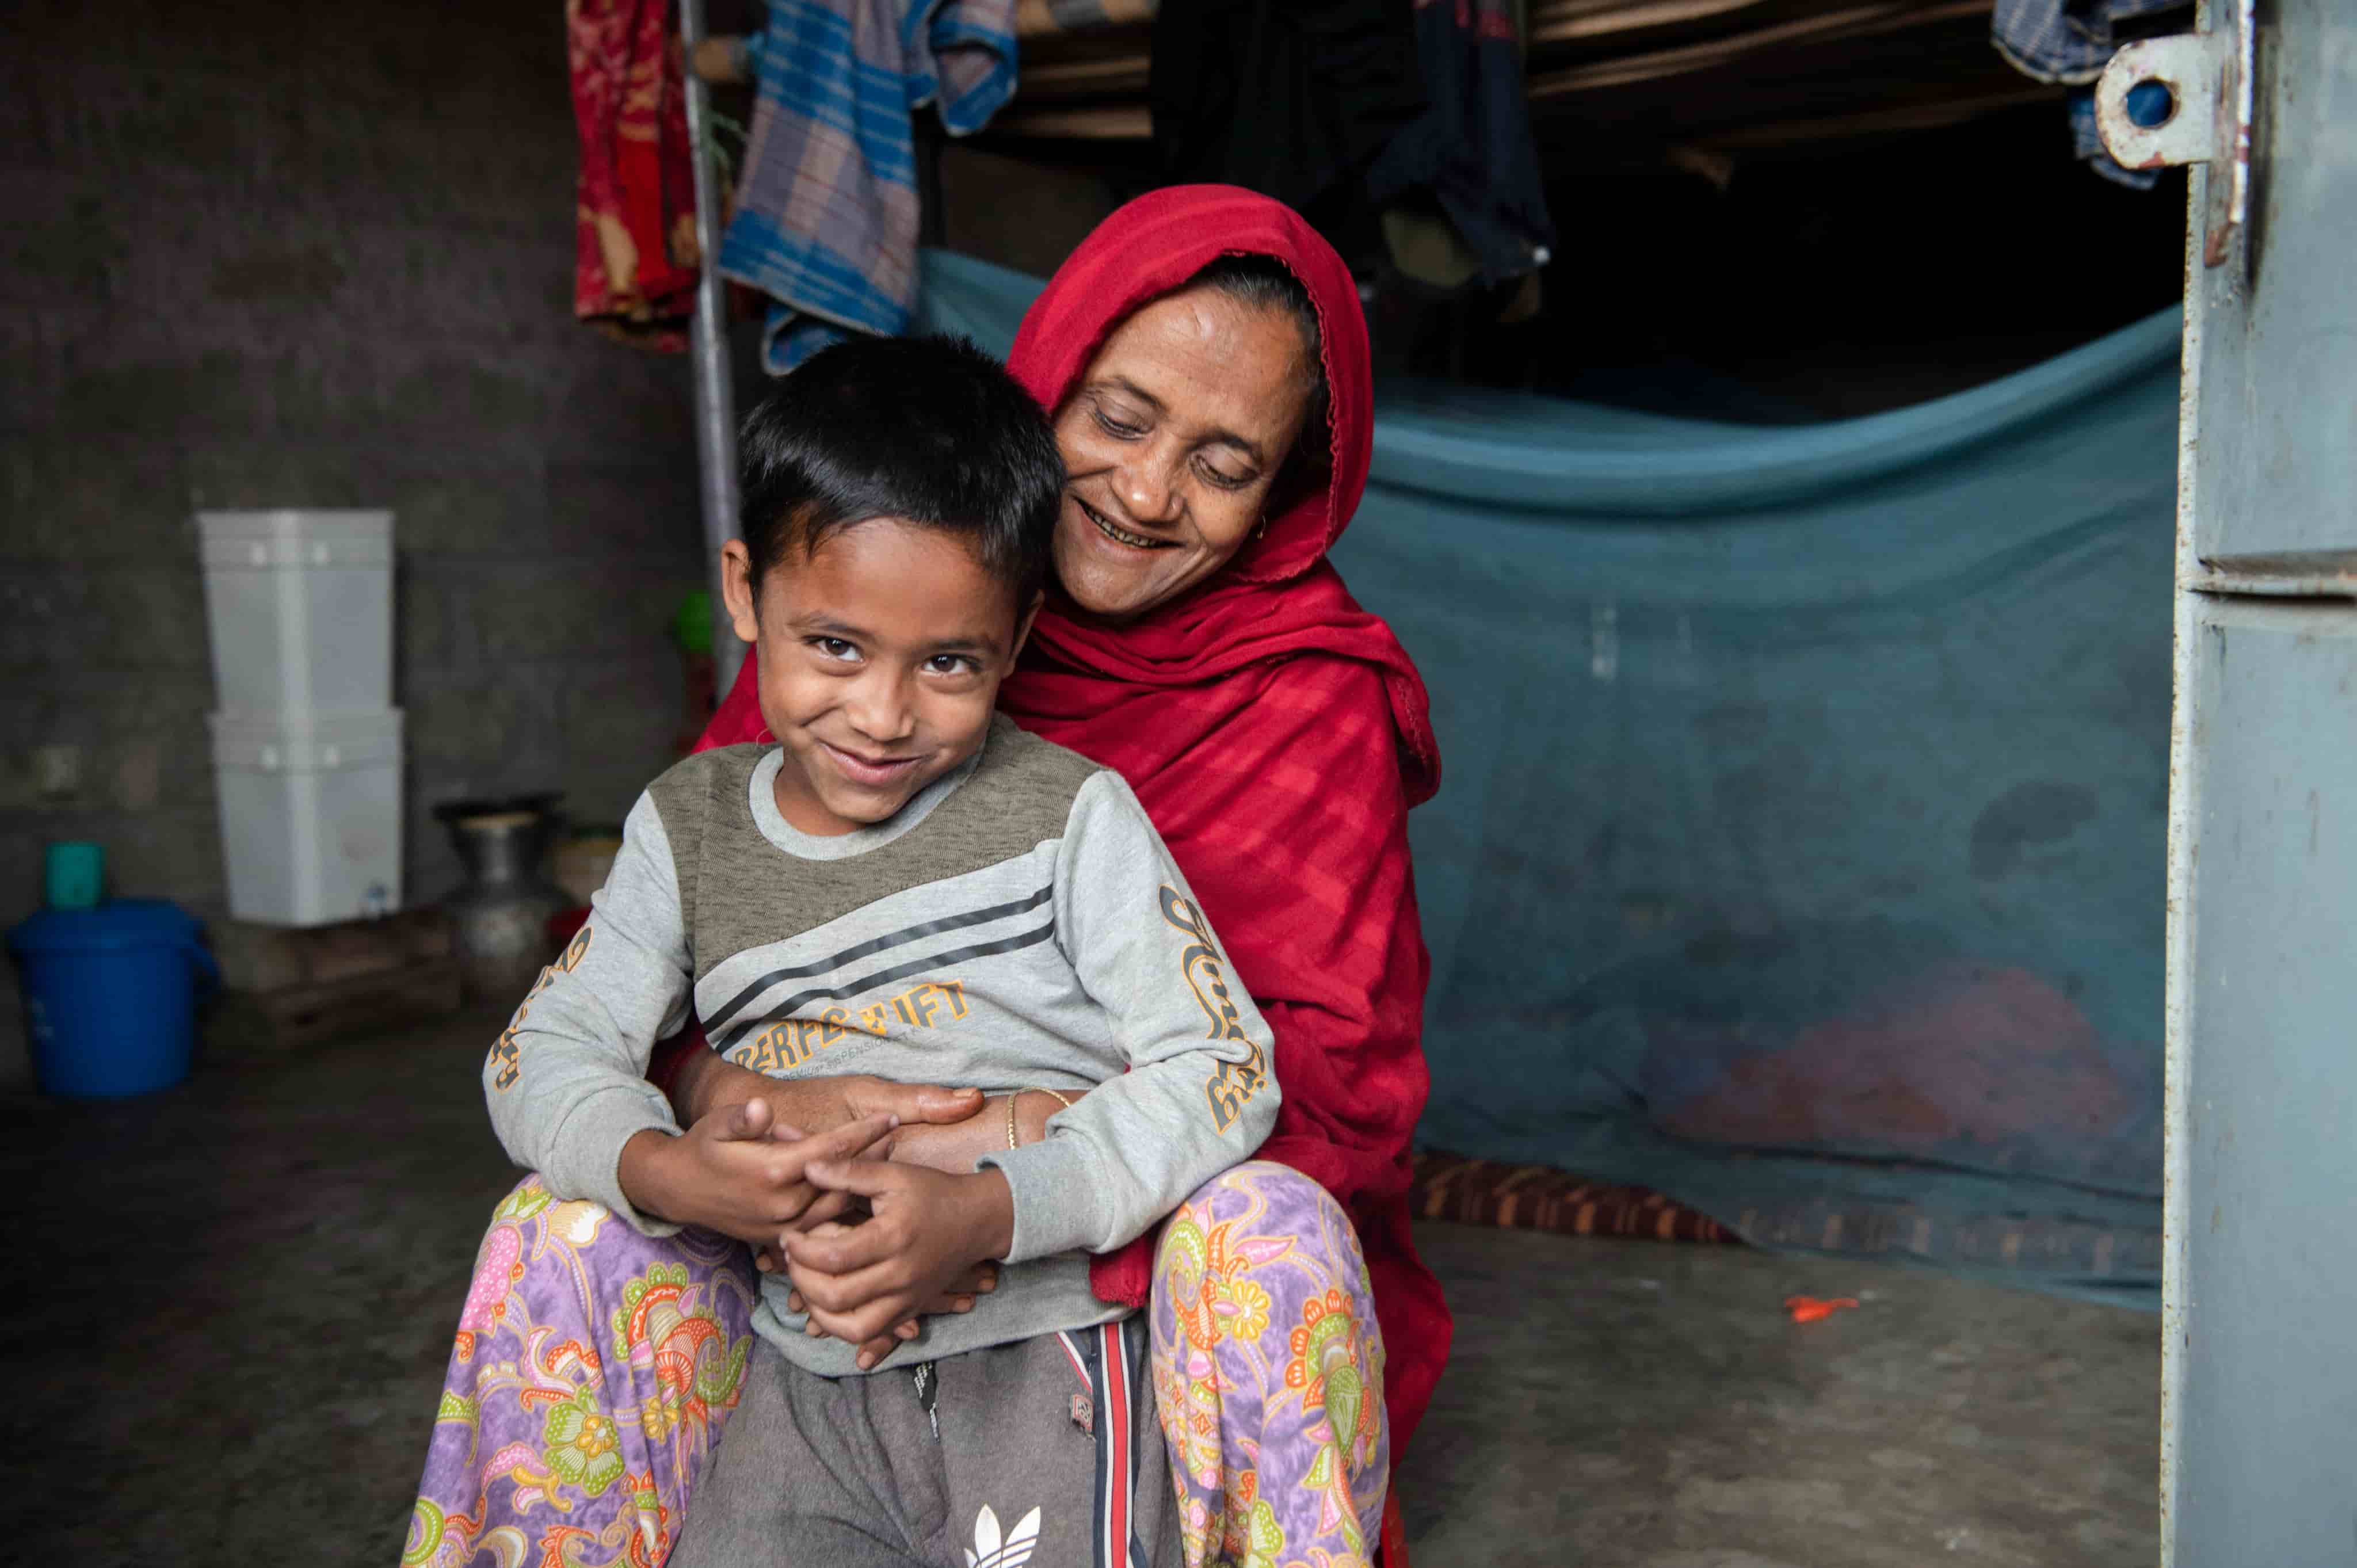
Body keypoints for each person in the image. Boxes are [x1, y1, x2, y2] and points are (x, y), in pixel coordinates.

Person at [409, 186, 1446, 1568]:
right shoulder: (851, 615)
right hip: (799, 1255)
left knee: (1267, 1228)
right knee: (557, 1228)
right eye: (1118, 417)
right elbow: (642, 1000)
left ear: (1282, 495)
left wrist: (983, 1184)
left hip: (1100, 1273)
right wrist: (733, 1112)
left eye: (1221, 462)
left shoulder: (1280, 713)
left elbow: (1301, 1096)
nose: (1147, 494)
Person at [485, 333, 1279, 1567]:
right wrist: (669, 1171)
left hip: (1045, 1358)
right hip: (800, 1380)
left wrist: (989, 1209)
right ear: (745, 591)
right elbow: (540, 1051)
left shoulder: (1071, 817)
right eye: (835, 646)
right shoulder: (687, 830)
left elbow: (1225, 1066)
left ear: (1017, 637)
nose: (882, 714)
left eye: (949, 662)